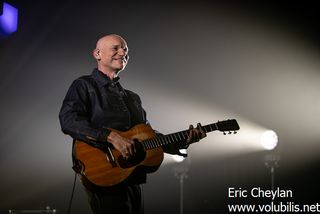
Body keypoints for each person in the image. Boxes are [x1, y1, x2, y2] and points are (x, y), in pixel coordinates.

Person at [59, 34, 205, 214]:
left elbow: (149, 137)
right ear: (97, 54)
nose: (123, 53)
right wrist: (112, 137)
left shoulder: (133, 98)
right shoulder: (83, 85)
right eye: (116, 48)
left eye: (126, 50)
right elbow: (68, 120)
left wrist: (183, 141)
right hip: (103, 172)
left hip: (132, 176)